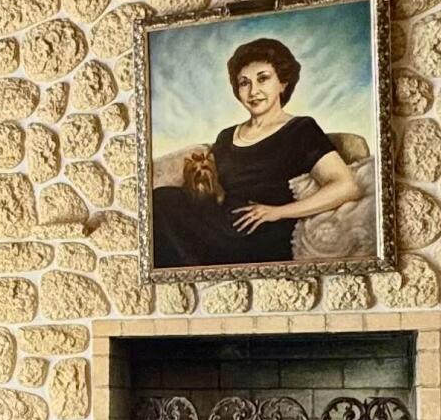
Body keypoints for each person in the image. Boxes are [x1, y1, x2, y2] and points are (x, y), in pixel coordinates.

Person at [149, 35, 362, 267]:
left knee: (164, 209)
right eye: (244, 83)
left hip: (259, 231)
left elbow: (346, 186)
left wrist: (278, 212)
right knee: (161, 200)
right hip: (219, 222)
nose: (253, 91)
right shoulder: (226, 136)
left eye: (263, 79)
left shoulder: (301, 129)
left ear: (283, 83)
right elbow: (215, 192)